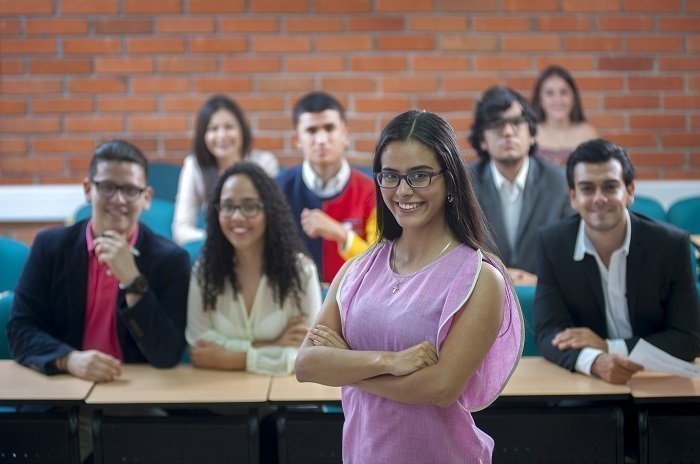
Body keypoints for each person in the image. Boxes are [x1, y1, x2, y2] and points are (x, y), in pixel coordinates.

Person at [295, 110, 523, 463]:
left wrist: (348, 367)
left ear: (450, 181)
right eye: (391, 176)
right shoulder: (357, 270)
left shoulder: (481, 278)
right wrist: (391, 361)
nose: (403, 191)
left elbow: (441, 388)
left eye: (420, 176)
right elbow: (307, 363)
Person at [7, 140, 190, 381]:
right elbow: (20, 329)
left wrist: (133, 282)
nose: (118, 200)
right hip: (63, 390)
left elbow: (166, 354)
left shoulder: (171, 260)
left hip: (136, 398)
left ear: (146, 198)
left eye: (130, 190)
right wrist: (69, 360)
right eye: (107, 187)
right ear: (87, 190)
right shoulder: (50, 247)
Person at [535, 139, 700, 384]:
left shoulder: (671, 245)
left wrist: (609, 347)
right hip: (591, 383)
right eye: (587, 189)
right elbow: (549, 333)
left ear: (630, 191)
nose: (599, 198)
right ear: (573, 196)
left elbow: (689, 339)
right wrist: (595, 361)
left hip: (656, 380)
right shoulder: (552, 244)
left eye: (610, 187)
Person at [186, 162, 321, 375]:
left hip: (283, 402)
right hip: (216, 398)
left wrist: (230, 358)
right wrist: (272, 345)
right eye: (228, 206)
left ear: (269, 211)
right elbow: (199, 346)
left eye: (249, 206)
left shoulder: (301, 272)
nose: (238, 217)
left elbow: (309, 357)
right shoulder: (204, 271)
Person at [468, 86, 573, 285]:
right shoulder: (465, 183)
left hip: (544, 295)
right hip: (484, 295)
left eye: (516, 122)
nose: (508, 132)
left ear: (532, 134)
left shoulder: (559, 181)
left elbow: (572, 249)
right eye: (497, 124)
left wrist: (539, 281)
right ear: (482, 140)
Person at [276, 91, 376, 283]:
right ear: (297, 139)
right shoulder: (277, 189)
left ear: (345, 135)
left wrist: (341, 234)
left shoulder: (372, 192)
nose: (321, 139)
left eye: (329, 128)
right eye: (311, 130)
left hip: (353, 301)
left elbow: (379, 265)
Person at [173, 94, 279, 245]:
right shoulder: (194, 166)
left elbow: (274, 220)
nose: (221, 135)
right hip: (212, 248)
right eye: (213, 129)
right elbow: (181, 229)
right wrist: (221, 241)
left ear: (242, 130)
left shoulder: (264, 163)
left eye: (229, 127)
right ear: (203, 135)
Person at [531, 65, 598, 165]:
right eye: (550, 93)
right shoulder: (531, 134)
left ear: (573, 97)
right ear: (540, 99)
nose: (558, 100)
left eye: (564, 92)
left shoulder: (588, 134)